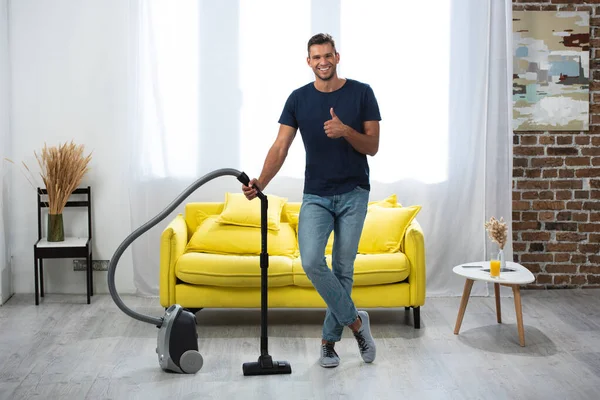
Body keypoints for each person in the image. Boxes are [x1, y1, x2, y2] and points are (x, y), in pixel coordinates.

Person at [242, 33, 381, 368]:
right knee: (311, 261)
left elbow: (373, 146)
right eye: (316, 57)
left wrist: (346, 131)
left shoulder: (362, 93)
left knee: (343, 269)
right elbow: (280, 147)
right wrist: (261, 181)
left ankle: (328, 343)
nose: (323, 62)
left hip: (354, 193)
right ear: (308, 61)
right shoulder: (298, 99)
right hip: (316, 195)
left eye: (328, 56)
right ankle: (357, 324)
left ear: (337, 56)